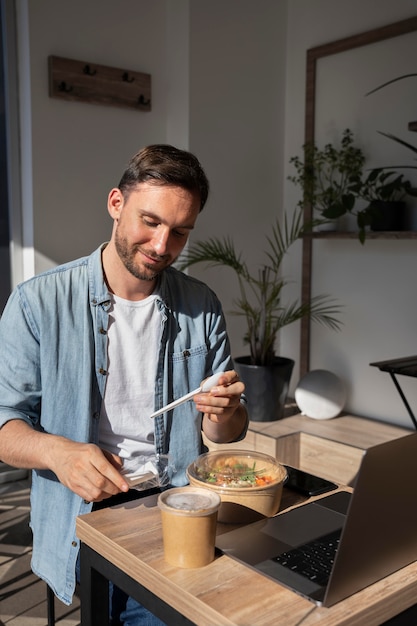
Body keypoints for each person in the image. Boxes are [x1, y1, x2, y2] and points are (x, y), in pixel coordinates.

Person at [0, 145, 248, 625]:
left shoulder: (202, 304)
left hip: (178, 505)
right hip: (86, 514)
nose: (161, 246)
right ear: (116, 204)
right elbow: (5, 426)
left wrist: (225, 413)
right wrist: (59, 454)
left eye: (180, 232)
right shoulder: (38, 303)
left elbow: (225, 434)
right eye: (150, 222)